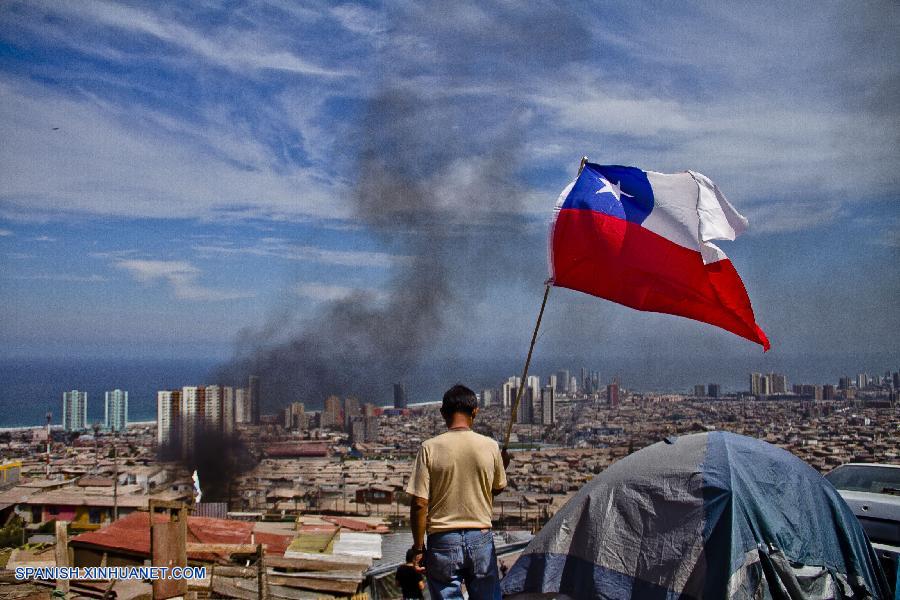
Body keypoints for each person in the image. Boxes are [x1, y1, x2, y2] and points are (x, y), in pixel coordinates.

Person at [405, 384, 511, 599]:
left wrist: (418, 549)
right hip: (480, 537)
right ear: (475, 412)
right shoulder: (490, 446)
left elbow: (419, 503)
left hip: (442, 539)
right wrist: (501, 465)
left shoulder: (429, 448)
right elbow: (496, 489)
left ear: (443, 413)